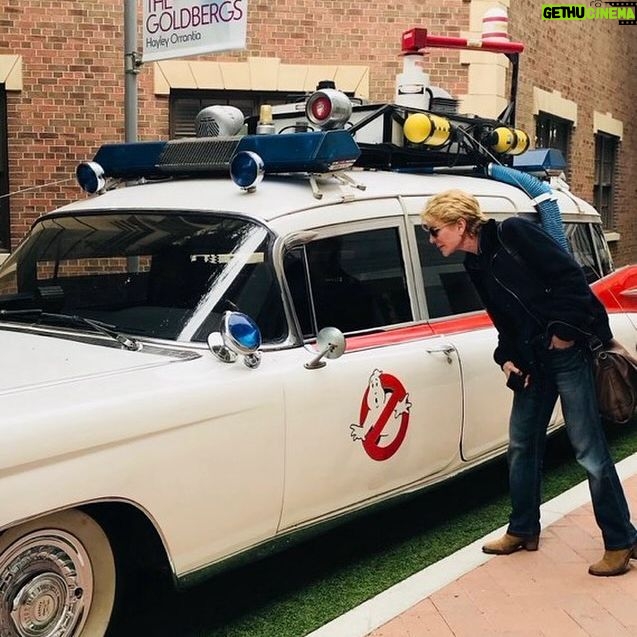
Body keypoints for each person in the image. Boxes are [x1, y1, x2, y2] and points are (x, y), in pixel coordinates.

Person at [421, 189, 637, 577]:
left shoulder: (514, 233)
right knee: (522, 444)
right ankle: (523, 529)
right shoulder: (474, 262)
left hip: (567, 352)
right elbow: (504, 318)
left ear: (460, 224)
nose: (432, 240)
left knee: (588, 449)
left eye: (434, 231)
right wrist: (505, 357)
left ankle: (621, 541)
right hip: (532, 360)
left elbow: (571, 278)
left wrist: (563, 335)